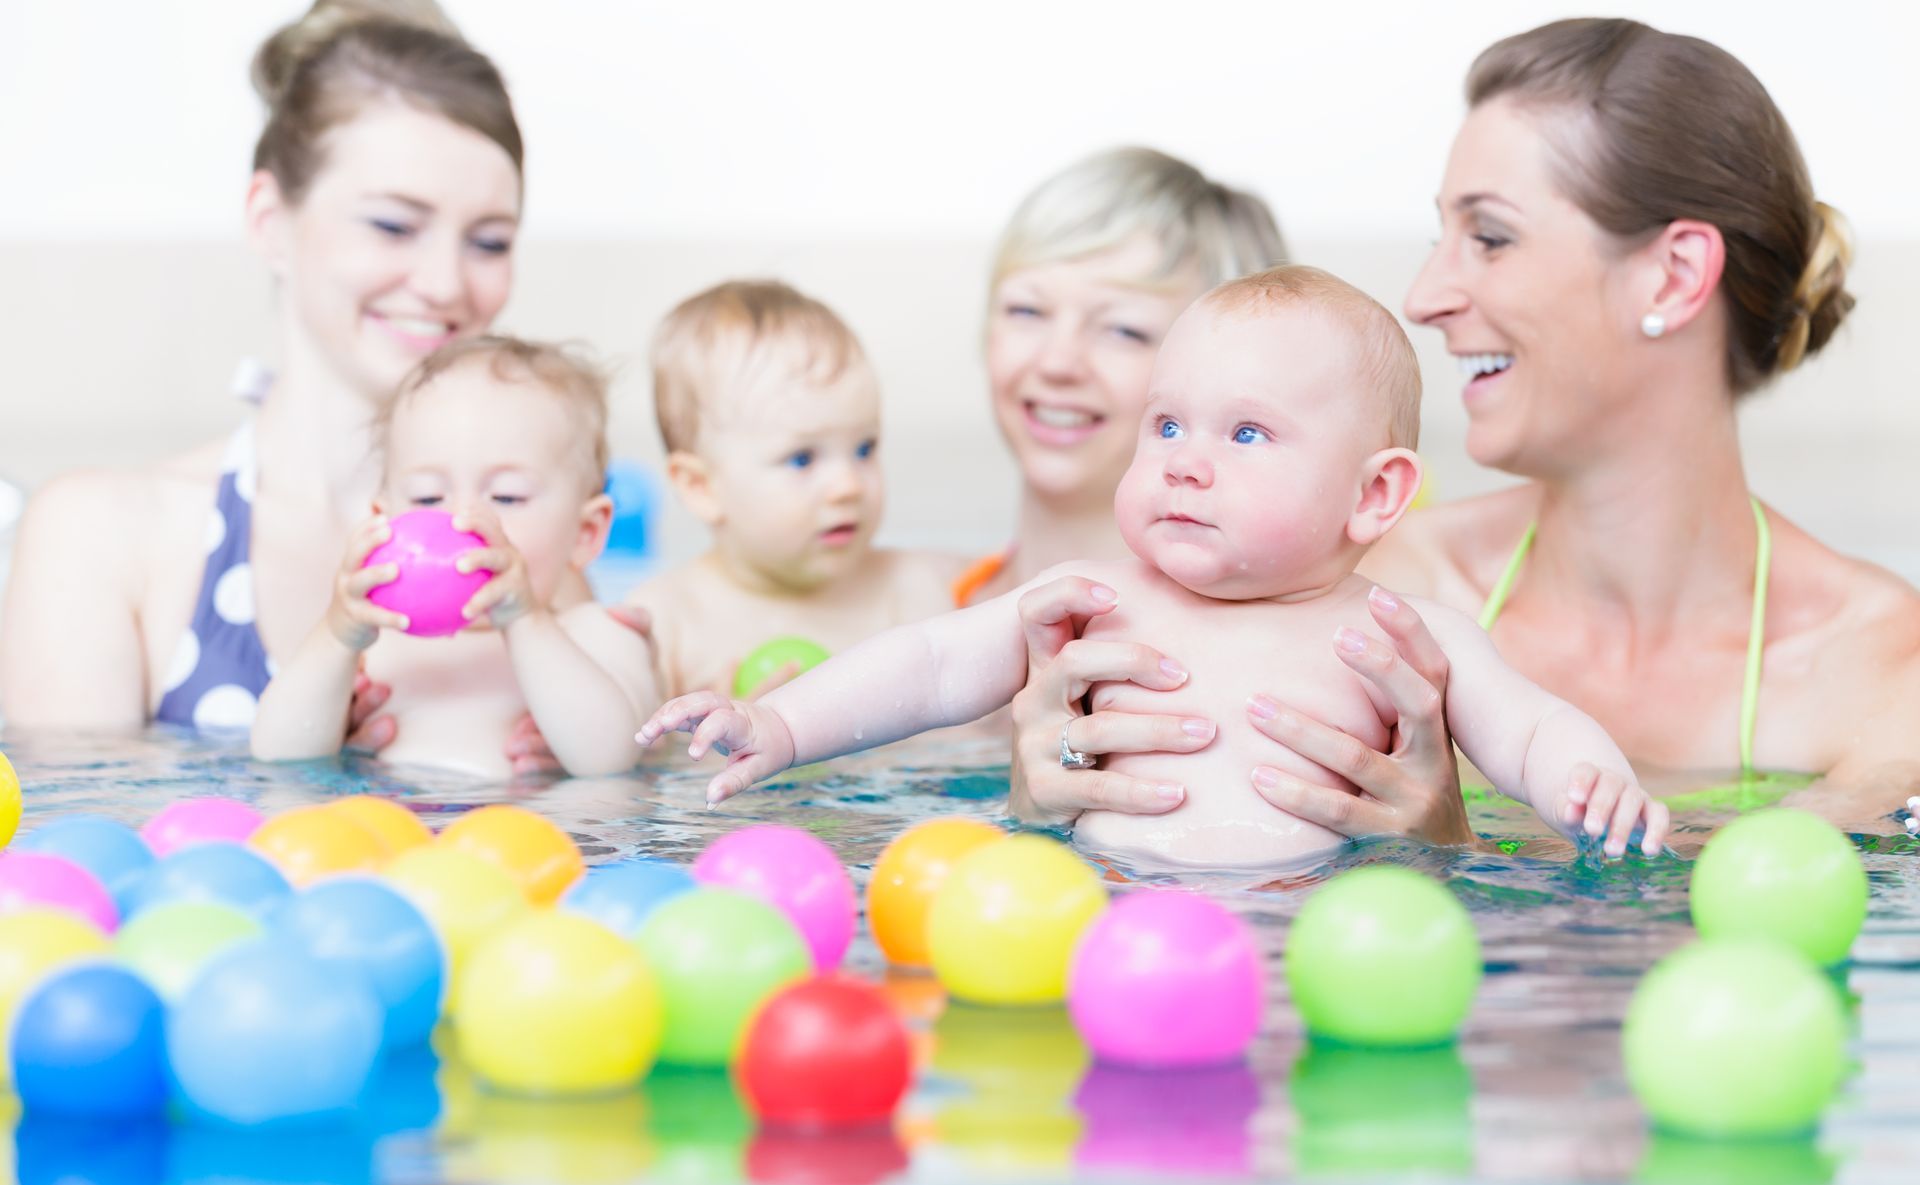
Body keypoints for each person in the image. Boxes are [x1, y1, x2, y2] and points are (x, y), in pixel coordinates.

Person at [1006, 18, 1920, 843]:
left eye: (1489, 238)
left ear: (1675, 276)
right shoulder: (1357, 590)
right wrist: (1053, 788)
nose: (1426, 297)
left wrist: (1453, 850)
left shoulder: (1883, 670)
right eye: (1441, 236)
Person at [640, 268, 1668, 866]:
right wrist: (781, 726)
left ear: (1374, 495)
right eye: (1167, 421)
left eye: (1247, 433)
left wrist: (1595, 784)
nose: (1182, 457)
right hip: (1106, 920)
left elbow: (1529, 726)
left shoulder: (1411, 634)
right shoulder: (1098, 597)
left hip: (1321, 935)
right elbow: (927, 666)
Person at [0, 0, 575, 769]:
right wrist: (303, 770)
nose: (444, 283)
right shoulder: (102, 533)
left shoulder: (520, 539)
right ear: (270, 219)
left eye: (489, 241)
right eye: (394, 226)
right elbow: (68, 855)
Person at [252, 337, 652, 777]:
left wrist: (524, 620)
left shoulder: (595, 636)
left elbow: (609, 760)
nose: (460, 521)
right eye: (427, 497)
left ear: (585, 533)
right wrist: (337, 636)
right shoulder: (375, 648)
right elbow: (278, 756)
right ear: (382, 519)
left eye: (507, 496)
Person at [953, 146, 1289, 609]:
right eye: (1026, 309)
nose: (1057, 362)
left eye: (1124, 329)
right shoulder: (912, 609)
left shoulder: (1281, 653)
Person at [625, 281, 962, 699]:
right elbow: (637, 756)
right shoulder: (667, 622)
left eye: (864, 448)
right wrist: (706, 751)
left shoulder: (909, 593)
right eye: (802, 459)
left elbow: (961, 737)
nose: (848, 486)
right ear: (702, 487)